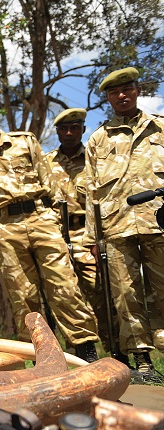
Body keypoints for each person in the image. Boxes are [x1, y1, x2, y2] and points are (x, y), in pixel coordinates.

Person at [0, 97, 100, 362]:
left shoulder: (25, 141)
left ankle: (85, 350)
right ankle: (40, 357)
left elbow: (50, 182)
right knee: (24, 296)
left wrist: (54, 217)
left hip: (41, 218)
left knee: (65, 285)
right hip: (3, 229)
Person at [84, 67, 164, 382]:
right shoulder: (98, 139)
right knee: (125, 294)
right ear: (108, 97)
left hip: (158, 222)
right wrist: (93, 238)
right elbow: (91, 192)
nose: (122, 95)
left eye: (127, 89)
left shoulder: (159, 129)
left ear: (136, 90)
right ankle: (143, 362)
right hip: (116, 228)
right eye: (115, 92)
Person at [46, 108, 122, 362]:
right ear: (57, 131)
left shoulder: (94, 159)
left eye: (75, 127)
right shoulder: (46, 163)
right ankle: (78, 356)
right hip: (54, 235)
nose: (69, 133)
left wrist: (100, 237)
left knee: (99, 291)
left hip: (88, 234)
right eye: (64, 129)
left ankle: (116, 352)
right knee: (63, 295)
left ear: (82, 129)